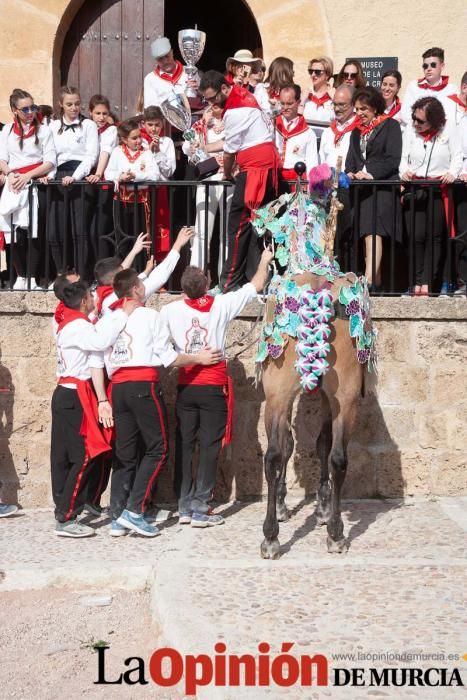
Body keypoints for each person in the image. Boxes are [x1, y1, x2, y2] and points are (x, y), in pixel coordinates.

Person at [92, 268, 222, 537]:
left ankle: (118, 516)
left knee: (125, 454)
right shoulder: (150, 316)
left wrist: (102, 398)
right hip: (143, 386)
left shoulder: (109, 318)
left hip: (118, 388)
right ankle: (135, 511)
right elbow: (168, 357)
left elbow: (97, 355)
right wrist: (198, 359)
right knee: (157, 449)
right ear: (137, 290)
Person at [160, 247, 273, 527]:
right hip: (212, 387)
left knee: (186, 445)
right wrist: (264, 260)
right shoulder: (220, 304)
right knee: (210, 447)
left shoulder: (169, 310)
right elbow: (256, 285)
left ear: (183, 289)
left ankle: (184, 505)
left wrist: (191, 358)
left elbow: (164, 354)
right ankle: (199, 507)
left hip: (187, 386)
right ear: (208, 284)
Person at [51, 278, 138, 537]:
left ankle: (65, 508)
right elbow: (101, 341)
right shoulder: (77, 326)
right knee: (84, 454)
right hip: (73, 395)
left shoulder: (75, 324)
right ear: (83, 301)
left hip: (72, 394)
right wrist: (123, 314)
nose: (94, 299)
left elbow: (95, 351)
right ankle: (67, 516)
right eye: (90, 297)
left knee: (67, 456)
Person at [199, 70, 279, 292]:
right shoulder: (243, 95)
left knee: (238, 226)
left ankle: (228, 283)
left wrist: (226, 173)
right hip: (262, 167)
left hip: (255, 172)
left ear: (224, 89)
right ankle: (253, 281)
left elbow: (230, 151)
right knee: (257, 226)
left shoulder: (234, 110)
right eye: (207, 100)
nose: (211, 103)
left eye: (213, 97)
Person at [400, 96, 463, 296]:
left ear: (434, 121)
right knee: (416, 236)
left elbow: (457, 155)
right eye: (414, 118)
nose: (416, 124)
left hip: (438, 187)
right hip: (416, 187)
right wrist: (404, 172)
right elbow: (403, 158)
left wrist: (452, 173)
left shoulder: (448, 129)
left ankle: (427, 283)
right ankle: (415, 282)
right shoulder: (410, 131)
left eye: (421, 121)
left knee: (434, 238)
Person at [346, 86, 402, 291]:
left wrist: (368, 172)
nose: (359, 113)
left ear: (375, 108)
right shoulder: (355, 133)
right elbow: (351, 160)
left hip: (382, 189)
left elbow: (392, 159)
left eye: (364, 109)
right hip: (363, 191)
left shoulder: (390, 126)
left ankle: (368, 280)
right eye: (357, 109)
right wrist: (351, 172)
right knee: (365, 233)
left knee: (373, 231)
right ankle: (375, 281)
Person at [0, 89, 56, 290]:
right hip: (14, 185)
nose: (31, 112)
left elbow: (50, 161)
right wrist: (11, 174)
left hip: (33, 185)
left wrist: (27, 176)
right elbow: (2, 158)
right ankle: (21, 275)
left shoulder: (44, 130)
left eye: (33, 107)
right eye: (25, 109)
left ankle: (32, 277)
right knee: (13, 233)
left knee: (34, 232)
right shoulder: (7, 130)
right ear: (15, 110)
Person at [105, 118, 175, 262]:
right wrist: (120, 176)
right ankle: (123, 269)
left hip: (141, 202)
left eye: (139, 137)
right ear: (124, 139)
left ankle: (141, 270)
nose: (138, 141)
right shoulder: (117, 152)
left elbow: (154, 175)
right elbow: (108, 173)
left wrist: (136, 176)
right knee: (123, 237)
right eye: (134, 138)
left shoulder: (146, 153)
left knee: (141, 236)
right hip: (121, 201)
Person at [48, 86, 99, 278]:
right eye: (69, 104)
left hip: (80, 176)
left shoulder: (88, 126)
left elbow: (91, 156)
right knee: (56, 230)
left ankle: (81, 274)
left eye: (77, 103)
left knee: (80, 230)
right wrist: (51, 175)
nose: (74, 107)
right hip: (58, 176)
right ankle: (62, 272)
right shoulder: (52, 127)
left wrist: (75, 176)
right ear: (61, 104)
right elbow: (50, 154)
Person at [92, 226, 193, 319]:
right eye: (123, 272)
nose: (126, 271)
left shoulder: (98, 295)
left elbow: (121, 272)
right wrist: (178, 244)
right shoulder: (131, 293)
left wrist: (138, 257)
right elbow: (160, 275)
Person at [182, 104, 233, 277]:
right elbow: (188, 149)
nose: (214, 107)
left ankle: (225, 280)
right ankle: (195, 280)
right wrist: (201, 128)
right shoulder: (200, 125)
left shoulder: (233, 121)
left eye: (218, 103)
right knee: (202, 232)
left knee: (226, 233)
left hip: (228, 178)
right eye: (212, 103)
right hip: (206, 178)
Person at [140, 106, 176, 263]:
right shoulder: (138, 140)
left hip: (160, 190)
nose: (153, 129)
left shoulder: (167, 142)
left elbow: (169, 171)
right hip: (141, 191)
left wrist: (158, 152)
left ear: (162, 125)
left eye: (157, 125)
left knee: (160, 228)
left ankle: (159, 266)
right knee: (142, 228)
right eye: (150, 125)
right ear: (143, 124)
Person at [85, 95, 118, 264]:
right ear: (90, 113)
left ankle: (104, 270)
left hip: (103, 180)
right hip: (86, 180)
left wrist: (98, 174)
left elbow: (105, 151)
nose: (101, 117)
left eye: (105, 113)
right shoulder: (86, 129)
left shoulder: (110, 131)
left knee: (100, 230)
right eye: (97, 113)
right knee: (86, 230)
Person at [400, 47, 458, 128]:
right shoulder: (413, 86)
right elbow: (405, 114)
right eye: (425, 66)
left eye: (433, 65)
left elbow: (453, 116)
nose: (429, 69)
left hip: (443, 135)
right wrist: (423, 125)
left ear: (442, 66)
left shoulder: (451, 89)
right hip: (417, 135)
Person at [276, 84, 318, 185]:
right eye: (282, 103)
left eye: (289, 103)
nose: (285, 107)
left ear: (298, 102)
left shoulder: (308, 133)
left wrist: (309, 189)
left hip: (296, 180)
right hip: (275, 177)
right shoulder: (273, 125)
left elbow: (312, 163)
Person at [143, 36, 196, 109]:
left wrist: (198, 91)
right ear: (156, 60)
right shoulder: (150, 79)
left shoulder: (190, 71)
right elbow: (151, 109)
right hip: (163, 119)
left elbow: (205, 98)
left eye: (167, 56)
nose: (165, 61)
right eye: (160, 59)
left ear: (172, 52)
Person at [319, 85, 358, 167]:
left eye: (341, 104)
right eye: (334, 104)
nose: (336, 109)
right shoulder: (327, 132)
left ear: (353, 103)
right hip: (329, 179)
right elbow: (322, 162)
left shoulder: (360, 130)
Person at [302, 56, 334, 139]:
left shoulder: (335, 96)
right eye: (311, 71)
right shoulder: (305, 95)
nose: (313, 75)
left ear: (327, 75)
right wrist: (301, 101)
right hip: (307, 142)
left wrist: (335, 99)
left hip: (328, 142)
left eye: (317, 72)